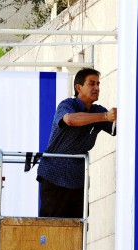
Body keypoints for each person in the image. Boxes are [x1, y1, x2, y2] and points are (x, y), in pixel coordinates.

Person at [37, 68, 117, 218]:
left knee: (77, 230)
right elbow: (71, 120)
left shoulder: (97, 111)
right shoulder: (67, 105)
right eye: (92, 83)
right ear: (78, 87)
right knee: (52, 228)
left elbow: (117, 128)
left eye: (98, 84)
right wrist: (105, 116)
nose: (97, 88)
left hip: (78, 182)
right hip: (55, 177)